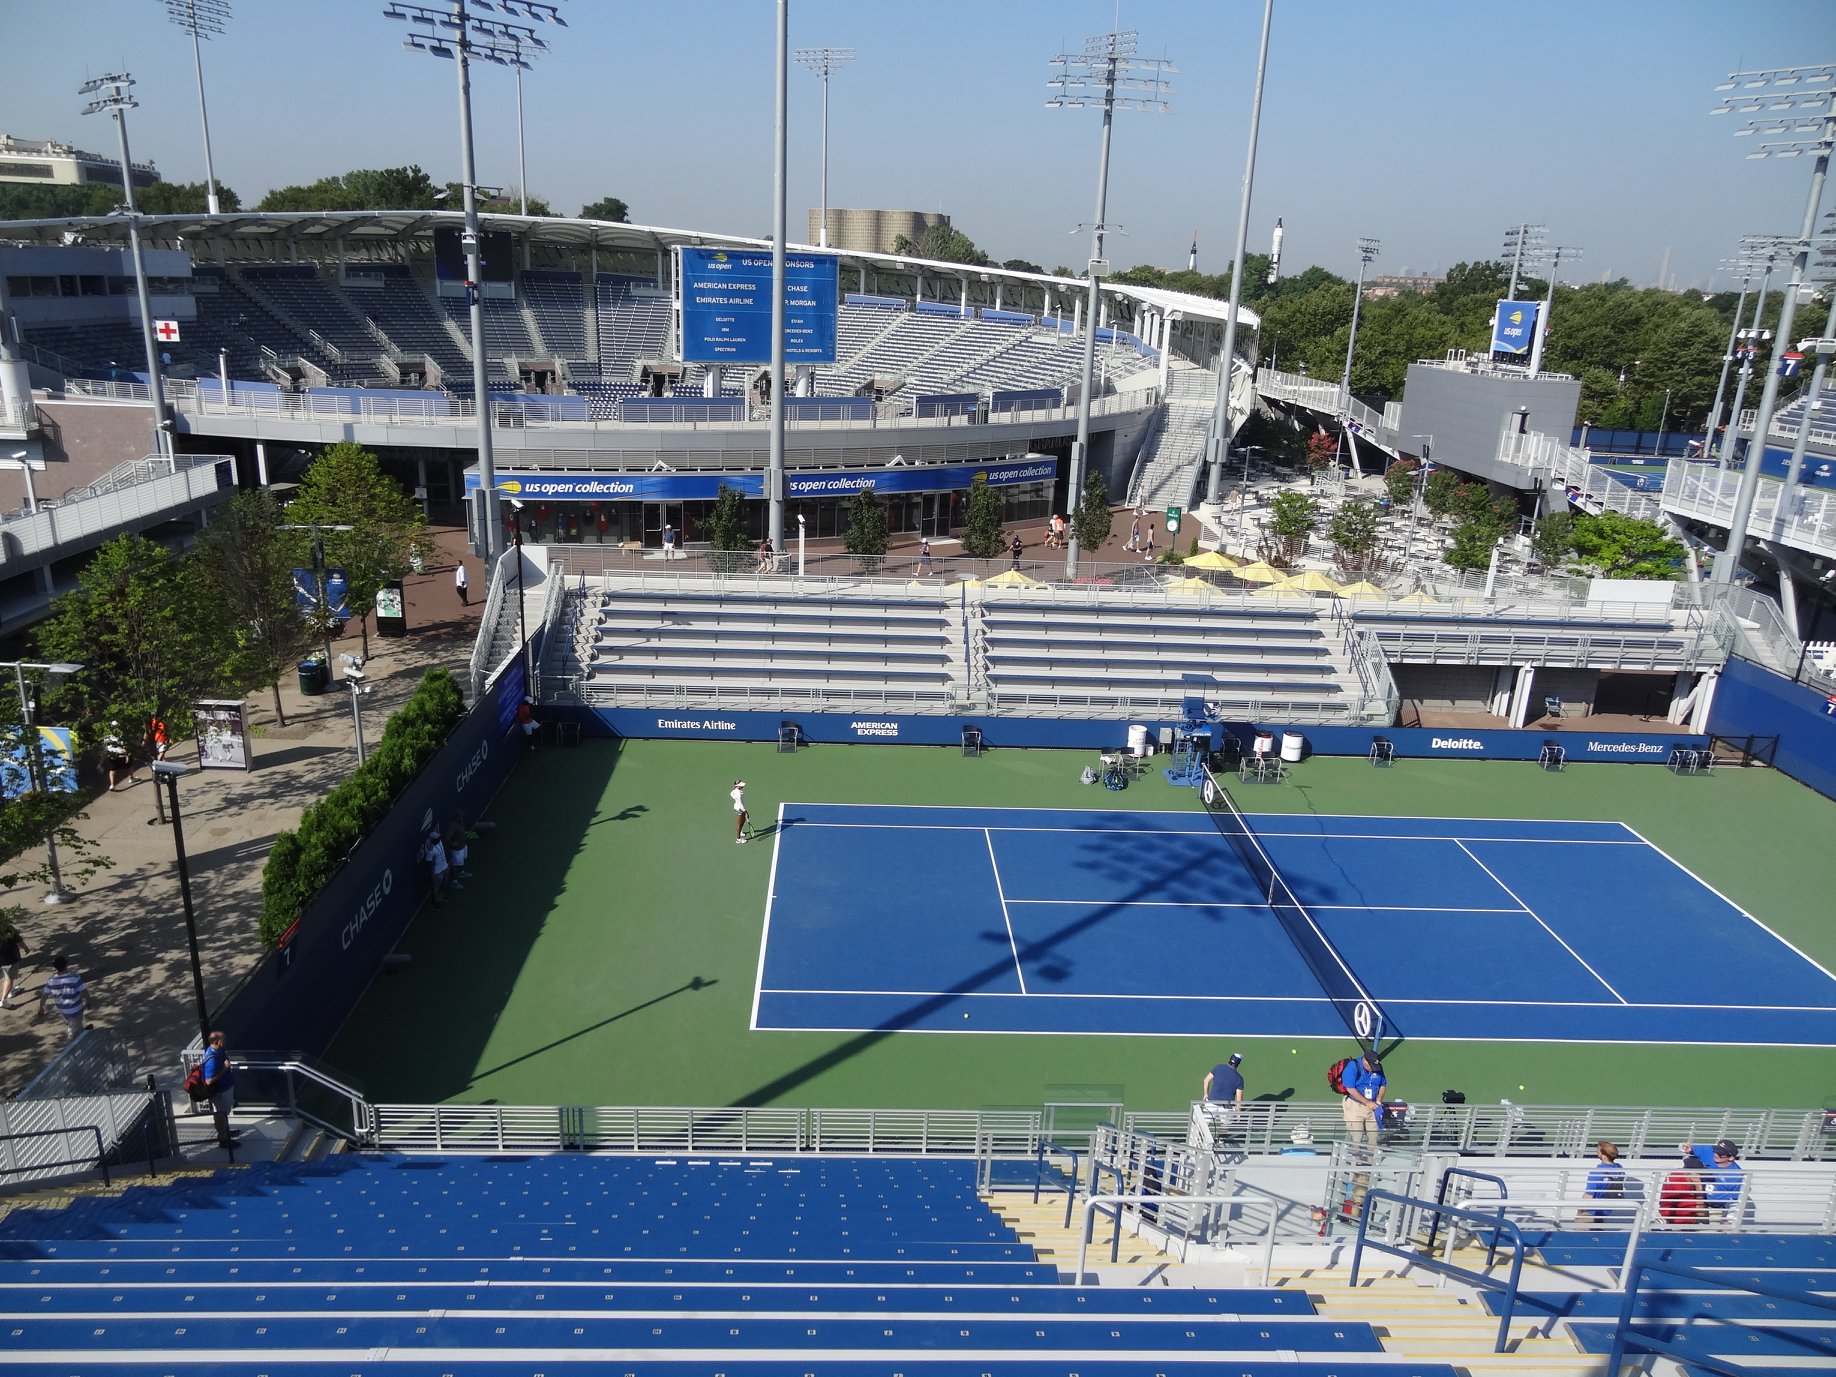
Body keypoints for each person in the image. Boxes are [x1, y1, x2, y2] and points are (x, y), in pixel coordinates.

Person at [1192, 1051, 1245, 1151]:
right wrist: (1238, 1112)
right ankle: (1220, 1142)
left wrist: (1206, 1094)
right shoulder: (1239, 1078)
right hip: (1226, 1107)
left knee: (1205, 1124)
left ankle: (1198, 1142)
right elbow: (1239, 1099)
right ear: (1238, 1064)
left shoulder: (1218, 1067)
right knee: (1225, 1125)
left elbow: (1206, 1080)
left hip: (1211, 1103)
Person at [1683, 1139, 1744, 1222]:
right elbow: (1692, 1149)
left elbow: (1736, 1201)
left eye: (1721, 1153)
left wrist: (1729, 1220)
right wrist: (1689, 1149)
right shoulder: (1710, 1153)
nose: (1716, 1154)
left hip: (1716, 1207)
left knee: (1711, 1232)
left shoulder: (1736, 1175)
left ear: (1731, 1157)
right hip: (1697, 1200)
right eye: (1716, 1150)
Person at [1340, 1051, 1387, 1155]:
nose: (1373, 1069)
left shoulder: (1377, 1067)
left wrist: (1379, 1098)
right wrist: (1367, 1102)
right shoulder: (1352, 1067)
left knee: (1374, 1135)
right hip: (1355, 1106)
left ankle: (1371, 1163)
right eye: (1371, 1066)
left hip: (1373, 1106)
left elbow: (1383, 1085)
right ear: (1365, 1060)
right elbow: (1350, 1089)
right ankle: (1357, 1164)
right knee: (1357, 1136)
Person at [199, 1029, 238, 1150]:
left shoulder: (218, 1050)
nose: (225, 1041)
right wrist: (224, 1070)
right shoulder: (212, 1059)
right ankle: (223, 1139)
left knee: (223, 1114)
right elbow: (208, 1080)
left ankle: (226, 1132)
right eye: (223, 1040)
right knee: (221, 1115)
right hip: (221, 1092)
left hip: (226, 1088)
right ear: (216, 1042)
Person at [36, 954, 87, 1041]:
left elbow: (45, 995)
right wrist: (88, 1001)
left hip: (62, 1009)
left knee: (72, 1022)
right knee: (73, 1027)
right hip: (76, 1008)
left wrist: (41, 1007)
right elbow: (84, 991)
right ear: (66, 965)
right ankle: (74, 1040)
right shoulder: (75, 978)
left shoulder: (52, 980)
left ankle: (79, 1030)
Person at [1581, 1141, 1624, 1228]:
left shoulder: (1596, 1173)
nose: (1597, 1152)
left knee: (1580, 1235)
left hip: (1592, 1211)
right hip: (1606, 1210)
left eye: (1598, 1151)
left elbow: (1589, 1196)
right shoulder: (1619, 1169)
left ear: (1604, 1155)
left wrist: (1580, 1209)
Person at [1658, 1152, 1706, 1225]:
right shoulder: (1677, 1179)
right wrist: (1699, 1187)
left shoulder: (1677, 1174)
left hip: (1685, 1218)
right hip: (1677, 1221)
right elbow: (1700, 1212)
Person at [0, 917, 28, 1010]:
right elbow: (19, 941)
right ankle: (3, 1001)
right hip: (10, 958)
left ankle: (10, 990)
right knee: (9, 979)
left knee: (6, 976)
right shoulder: (9, 929)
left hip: (2, 959)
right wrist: (26, 948)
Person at [422, 830, 451, 905]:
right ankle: (435, 904)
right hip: (437, 872)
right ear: (433, 840)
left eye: (439, 837)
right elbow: (428, 864)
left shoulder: (440, 842)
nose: (439, 838)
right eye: (437, 838)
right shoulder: (430, 851)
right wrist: (429, 875)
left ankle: (442, 898)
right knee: (436, 888)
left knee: (444, 884)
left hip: (445, 867)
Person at [103, 721, 132, 791]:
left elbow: (105, 746)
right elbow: (124, 745)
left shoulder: (107, 736)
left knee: (112, 770)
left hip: (112, 755)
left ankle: (112, 785)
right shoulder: (120, 734)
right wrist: (127, 755)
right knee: (129, 766)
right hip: (121, 754)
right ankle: (131, 778)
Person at [731, 779, 751, 844]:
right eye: (741, 785)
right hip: (740, 808)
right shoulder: (738, 794)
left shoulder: (735, 791)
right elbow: (740, 803)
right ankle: (738, 839)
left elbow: (731, 793)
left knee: (743, 821)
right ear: (737, 786)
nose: (743, 786)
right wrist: (745, 812)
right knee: (739, 824)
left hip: (737, 807)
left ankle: (741, 832)